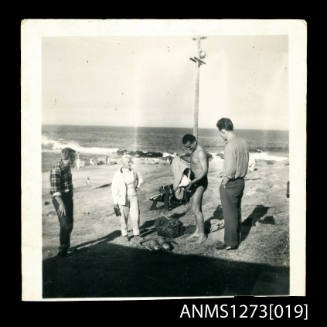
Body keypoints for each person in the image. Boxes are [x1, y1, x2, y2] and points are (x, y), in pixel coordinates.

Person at [216, 118, 249, 250]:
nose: (220, 135)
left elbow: (230, 169)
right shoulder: (243, 142)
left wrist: (225, 180)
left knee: (229, 214)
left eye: (220, 132)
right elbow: (242, 161)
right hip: (241, 181)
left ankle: (230, 243)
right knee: (236, 211)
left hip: (231, 183)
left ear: (223, 130)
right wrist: (225, 172)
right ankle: (236, 239)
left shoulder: (229, 145)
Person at [182, 134, 209, 243]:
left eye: (189, 146)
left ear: (194, 141)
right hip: (194, 182)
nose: (188, 149)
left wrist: (193, 181)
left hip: (200, 182)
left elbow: (204, 170)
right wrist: (181, 157)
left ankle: (202, 235)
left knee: (196, 209)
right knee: (196, 208)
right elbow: (193, 162)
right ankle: (198, 230)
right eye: (186, 147)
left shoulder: (201, 152)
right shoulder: (194, 150)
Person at [49, 147, 76, 257]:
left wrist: (70, 197)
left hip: (68, 197)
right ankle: (62, 250)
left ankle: (67, 247)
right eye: (74, 156)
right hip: (59, 198)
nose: (75, 158)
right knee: (65, 224)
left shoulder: (68, 167)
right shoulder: (57, 169)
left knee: (70, 223)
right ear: (69, 157)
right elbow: (55, 191)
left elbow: (68, 184)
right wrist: (61, 204)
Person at [112, 155, 143, 242]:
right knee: (123, 217)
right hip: (123, 198)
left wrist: (138, 185)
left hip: (133, 196)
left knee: (135, 216)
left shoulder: (134, 171)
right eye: (128, 162)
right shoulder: (118, 174)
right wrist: (115, 202)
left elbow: (140, 179)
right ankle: (125, 235)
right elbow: (114, 189)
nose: (130, 163)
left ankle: (136, 234)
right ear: (123, 163)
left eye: (130, 161)